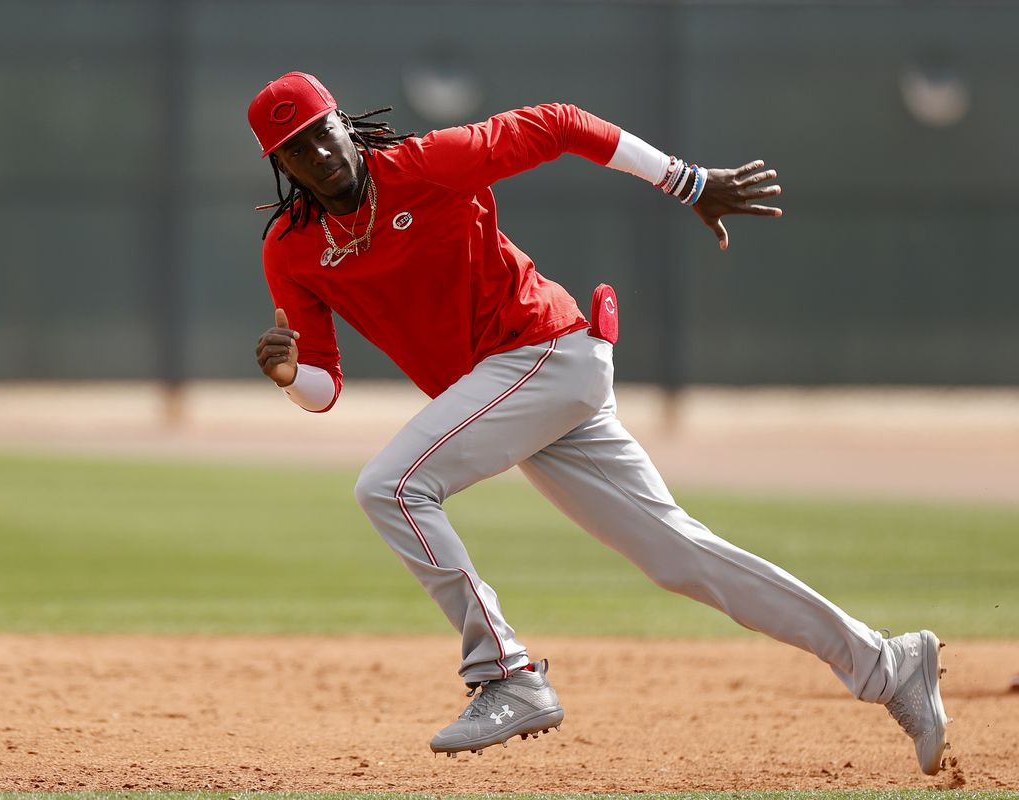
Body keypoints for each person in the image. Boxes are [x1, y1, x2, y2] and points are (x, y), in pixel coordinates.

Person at [248, 71, 949, 775]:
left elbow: (558, 122)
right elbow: (323, 388)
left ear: (345, 123)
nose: (318, 154)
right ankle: (888, 664)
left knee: (390, 487)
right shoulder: (291, 247)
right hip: (527, 390)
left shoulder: (428, 163)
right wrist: (289, 376)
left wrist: (689, 182)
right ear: (281, 166)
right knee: (681, 557)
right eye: (296, 149)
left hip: (540, 355)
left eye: (320, 132)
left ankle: (506, 674)